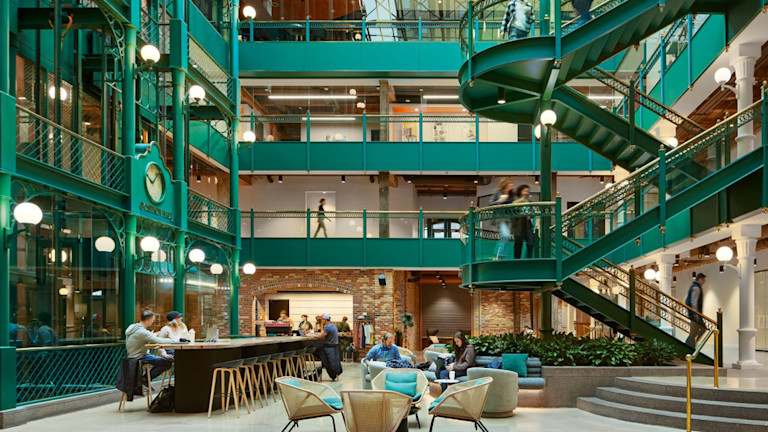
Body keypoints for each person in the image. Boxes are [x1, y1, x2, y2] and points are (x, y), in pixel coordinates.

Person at [125, 310, 175, 379]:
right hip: (140, 356)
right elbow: (159, 340)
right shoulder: (142, 331)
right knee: (166, 363)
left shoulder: (133, 327)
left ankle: (144, 380)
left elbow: (142, 338)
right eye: (153, 321)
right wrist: (176, 341)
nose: (152, 322)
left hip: (132, 355)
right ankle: (145, 379)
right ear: (149, 320)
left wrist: (151, 335)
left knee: (164, 360)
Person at [490, 178, 515, 260]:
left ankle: (500, 256)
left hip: (509, 219)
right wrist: (499, 201)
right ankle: (499, 256)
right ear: (505, 184)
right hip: (500, 218)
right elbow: (490, 204)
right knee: (505, 235)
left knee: (505, 238)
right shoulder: (498, 192)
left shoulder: (511, 194)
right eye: (509, 183)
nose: (511, 185)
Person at [313, 314, 343, 380]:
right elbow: (322, 333)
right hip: (333, 346)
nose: (321, 321)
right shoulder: (332, 325)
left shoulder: (327, 327)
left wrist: (310, 336)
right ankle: (323, 362)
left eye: (322, 320)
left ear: (324, 320)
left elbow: (320, 336)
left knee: (313, 348)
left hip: (328, 346)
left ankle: (323, 362)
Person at [513, 184, 534, 259]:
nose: (526, 193)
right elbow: (513, 212)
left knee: (531, 243)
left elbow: (532, 214)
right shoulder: (516, 201)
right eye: (525, 191)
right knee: (518, 244)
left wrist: (530, 214)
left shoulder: (530, 202)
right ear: (520, 191)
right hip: (518, 225)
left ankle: (528, 259)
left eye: (528, 191)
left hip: (528, 223)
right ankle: (517, 261)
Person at [685, 273, 707, 348]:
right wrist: (696, 314)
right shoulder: (696, 288)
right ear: (700, 279)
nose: (704, 282)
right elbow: (694, 302)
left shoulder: (694, 287)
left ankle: (692, 346)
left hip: (694, 314)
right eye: (703, 280)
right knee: (694, 333)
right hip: (695, 315)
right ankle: (690, 348)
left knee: (695, 332)